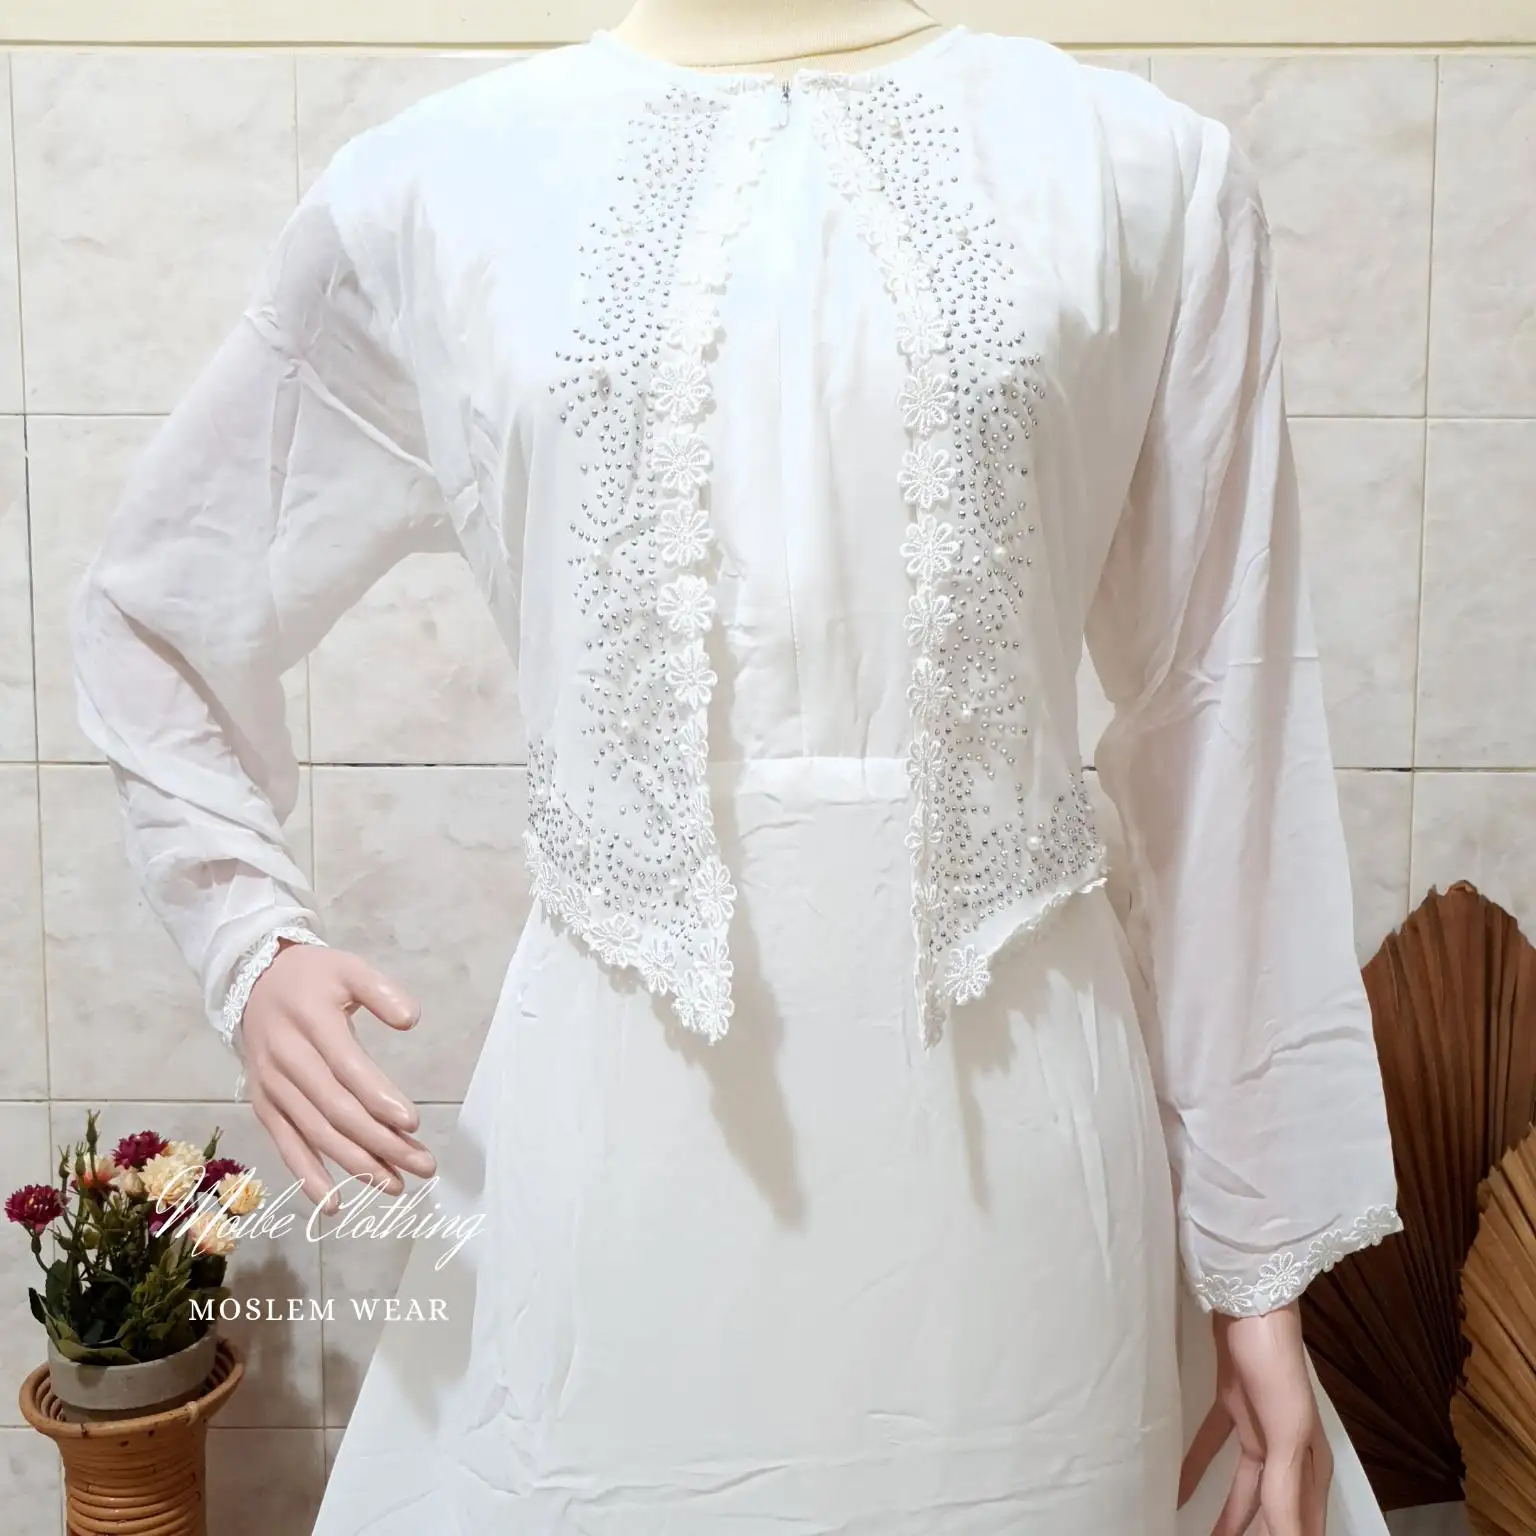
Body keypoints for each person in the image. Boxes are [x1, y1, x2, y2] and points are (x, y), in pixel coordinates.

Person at [72, 7, 1401, 1531]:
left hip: (1022, 1173)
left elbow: (1223, 724)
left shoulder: (1145, 175)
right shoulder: (434, 188)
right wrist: (251, 940)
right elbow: (157, 609)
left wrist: (1256, 1254)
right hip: (622, 1170)